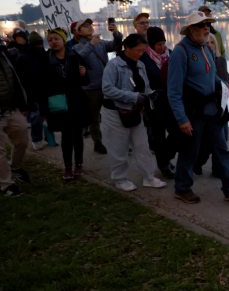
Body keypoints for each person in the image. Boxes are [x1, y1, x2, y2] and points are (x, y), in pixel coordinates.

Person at [167, 11, 229, 204]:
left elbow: (211, 76)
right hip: (193, 112)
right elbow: (173, 91)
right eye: (202, 25)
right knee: (190, 151)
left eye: (207, 25)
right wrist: (181, 119)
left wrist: (224, 85)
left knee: (222, 149)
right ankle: (182, 188)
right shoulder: (181, 52)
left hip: (212, 109)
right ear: (191, 29)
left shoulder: (206, 48)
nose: (206, 29)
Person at [101, 34, 166, 192]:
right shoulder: (113, 65)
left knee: (143, 146)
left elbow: (145, 87)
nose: (141, 54)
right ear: (127, 48)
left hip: (135, 111)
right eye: (138, 50)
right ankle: (120, 179)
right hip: (115, 112)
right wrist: (134, 96)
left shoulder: (140, 65)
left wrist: (151, 94)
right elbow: (107, 89)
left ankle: (148, 177)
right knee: (119, 148)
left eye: (143, 50)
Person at [40, 28, 90, 180]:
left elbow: (85, 82)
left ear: (63, 40)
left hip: (76, 102)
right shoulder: (46, 59)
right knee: (66, 137)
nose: (53, 42)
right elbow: (42, 86)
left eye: (56, 39)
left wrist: (83, 74)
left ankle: (79, 165)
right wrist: (45, 109)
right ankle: (68, 167)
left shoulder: (74, 56)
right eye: (50, 40)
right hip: (59, 103)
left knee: (78, 136)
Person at [73, 18, 122, 154]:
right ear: (78, 32)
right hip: (91, 88)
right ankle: (98, 142)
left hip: (107, 85)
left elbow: (115, 46)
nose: (89, 27)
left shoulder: (100, 43)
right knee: (94, 117)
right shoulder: (76, 47)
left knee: (116, 113)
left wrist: (116, 33)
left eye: (89, 25)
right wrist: (91, 45)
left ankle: (120, 140)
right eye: (84, 26)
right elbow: (79, 57)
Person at [193, 32, 229, 177]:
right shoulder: (199, 62)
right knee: (206, 141)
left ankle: (218, 169)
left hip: (221, 104)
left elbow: (224, 79)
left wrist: (227, 87)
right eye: (207, 42)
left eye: (212, 42)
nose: (209, 45)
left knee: (223, 139)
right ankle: (197, 163)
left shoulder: (220, 61)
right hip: (206, 105)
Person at [140, 26, 176, 178]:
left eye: (163, 43)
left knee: (176, 131)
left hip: (172, 100)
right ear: (151, 44)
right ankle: (163, 165)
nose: (162, 47)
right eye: (158, 44)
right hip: (154, 102)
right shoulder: (143, 58)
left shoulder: (171, 54)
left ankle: (165, 157)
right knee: (158, 134)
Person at [0, 44, 30, 196]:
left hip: (10, 108)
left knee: (22, 138)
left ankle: (15, 167)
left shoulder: (3, 53)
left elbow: (15, 79)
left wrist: (22, 103)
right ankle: (6, 184)